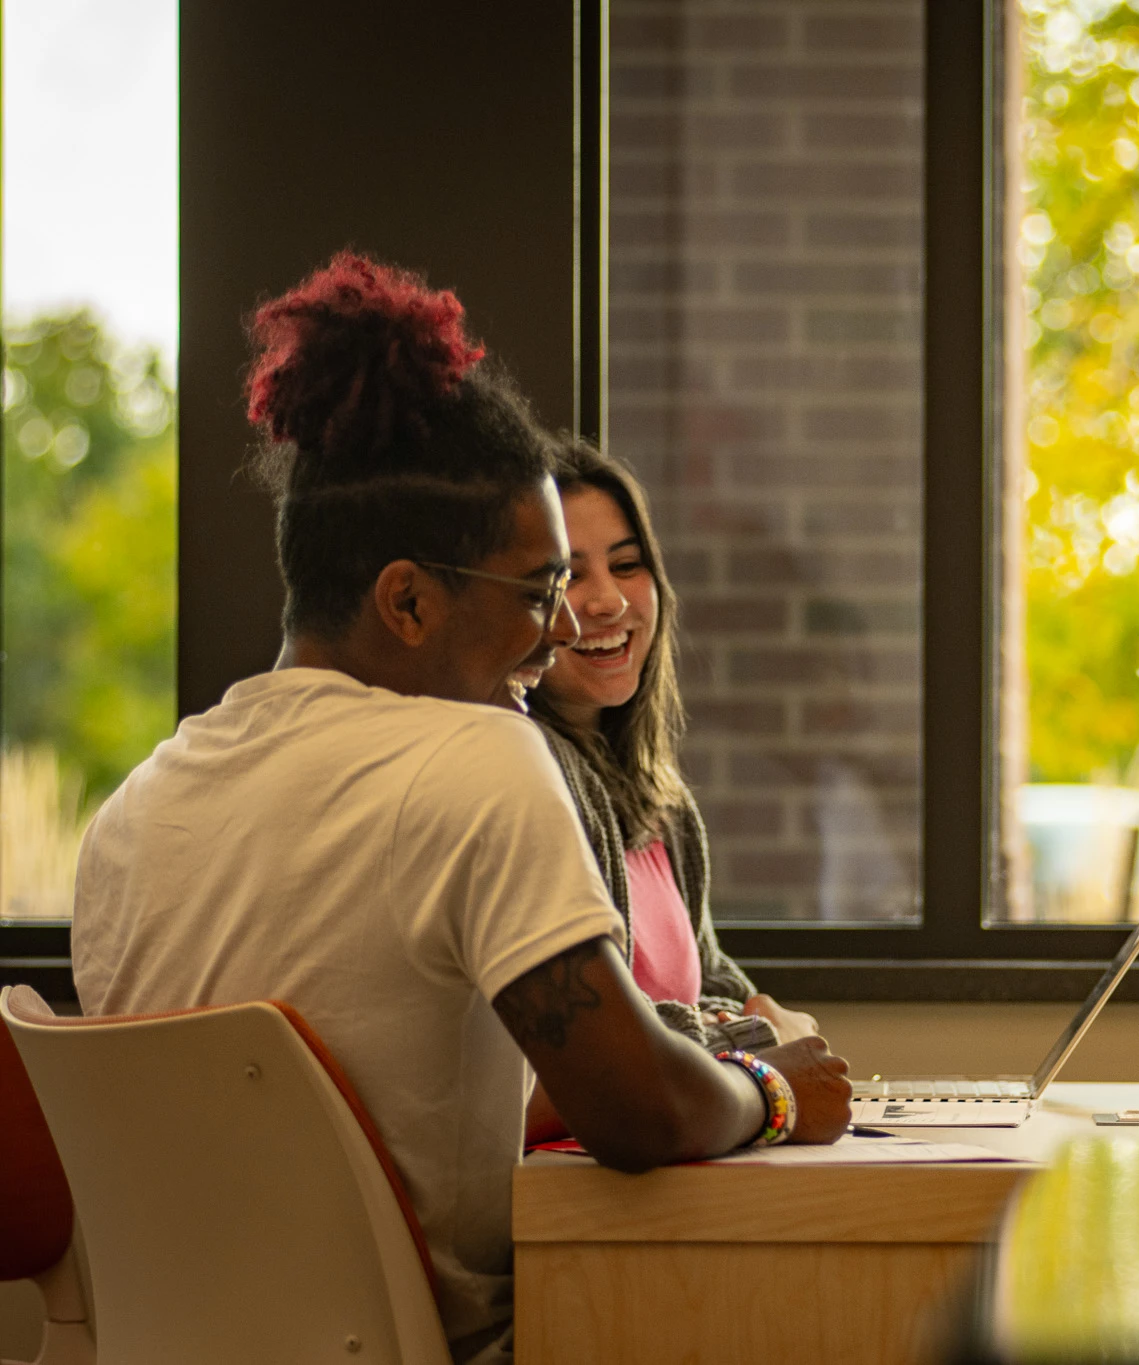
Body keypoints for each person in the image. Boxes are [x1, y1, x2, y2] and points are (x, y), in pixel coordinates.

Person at [68, 252, 851, 1363]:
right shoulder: (480, 760)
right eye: (537, 593)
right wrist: (773, 1093)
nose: (563, 633)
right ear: (407, 599)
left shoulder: (133, 814)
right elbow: (642, 1115)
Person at [524, 437, 816, 1052]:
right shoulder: (530, 773)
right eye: (568, 576)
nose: (607, 601)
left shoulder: (664, 804)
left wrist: (748, 1021)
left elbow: (713, 991)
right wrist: (760, 1037)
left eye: (627, 565)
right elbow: (605, 1043)